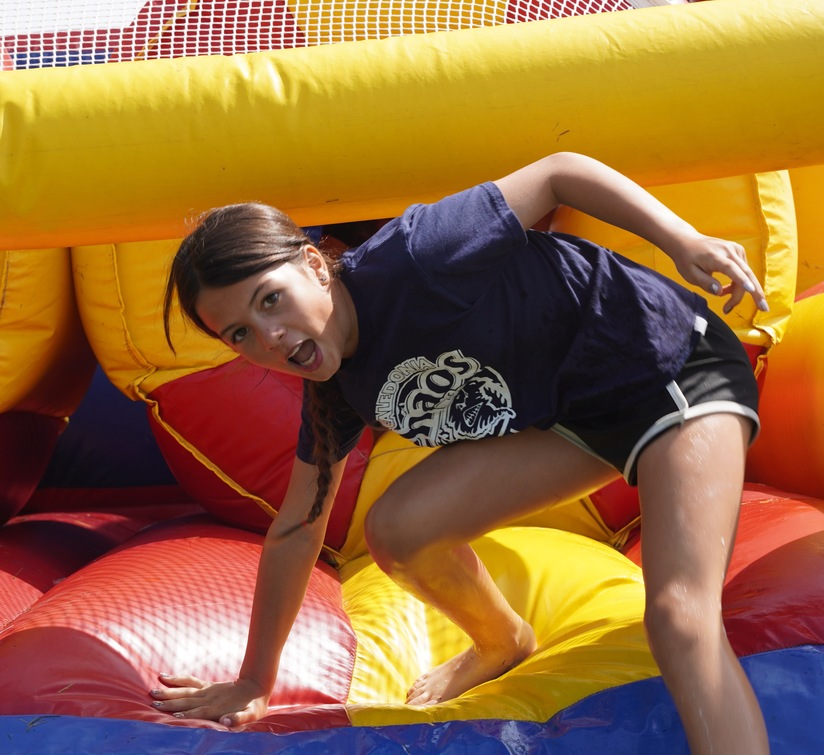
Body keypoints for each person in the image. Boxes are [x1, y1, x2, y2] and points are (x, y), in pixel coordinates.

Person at [155, 152, 771, 754]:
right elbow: (296, 527)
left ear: (315, 265)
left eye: (270, 299)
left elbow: (560, 171)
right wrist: (255, 681)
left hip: (673, 372)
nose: (270, 338)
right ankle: (502, 641)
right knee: (399, 532)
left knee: (678, 618)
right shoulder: (336, 386)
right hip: (577, 422)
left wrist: (684, 239)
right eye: (239, 334)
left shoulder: (420, 258)